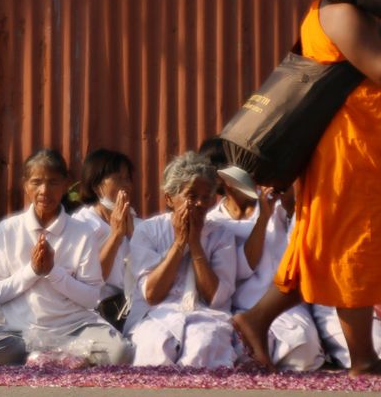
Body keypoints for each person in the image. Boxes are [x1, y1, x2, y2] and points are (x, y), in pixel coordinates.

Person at [233, 0, 381, 376]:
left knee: (319, 247)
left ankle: (255, 319)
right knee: (350, 247)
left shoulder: (351, 8)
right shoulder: (339, 10)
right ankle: (363, 359)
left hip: (357, 148)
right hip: (349, 154)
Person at [0, 149, 131, 366]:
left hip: (75, 328)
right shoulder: (9, 229)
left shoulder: (82, 231)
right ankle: (64, 358)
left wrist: (53, 272)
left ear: (65, 185)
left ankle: (47, 358)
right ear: (25, 185)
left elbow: (91, 298)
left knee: (120, 352)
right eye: (36, 182)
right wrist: (32, 271)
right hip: (24, 331)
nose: (44, 191)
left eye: (53, 183)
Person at [125, 152, 237, 368]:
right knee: (154, 348)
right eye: (191, 195)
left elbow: (215, 297)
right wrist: (179, 243)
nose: (199, 204)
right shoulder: (148, 231)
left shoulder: (221, 235)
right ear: (169, 198)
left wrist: (195, 243)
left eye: (206, 197)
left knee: (204, 346)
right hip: (155, 314)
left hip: (206, 315)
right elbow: (152, 294)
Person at [207, 183, 323, 371]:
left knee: (302, 345)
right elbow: (243, 269)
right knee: (222, 347)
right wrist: (262, 220)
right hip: (238, 309)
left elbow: (304, 242)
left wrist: (288, 203)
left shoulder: (277, 209)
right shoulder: (212, 222)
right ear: (225, 181)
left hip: (284, 307)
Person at [71, 148, 139, 331]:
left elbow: (151, 273)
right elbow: (93, 279)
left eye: (127, 178)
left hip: (135, 305)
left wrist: (134, 237)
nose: (126, 185)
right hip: (97, 311)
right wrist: (116, 235)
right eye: (118, 178)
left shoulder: (137, 224)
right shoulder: (80, 225)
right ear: (96, 186)